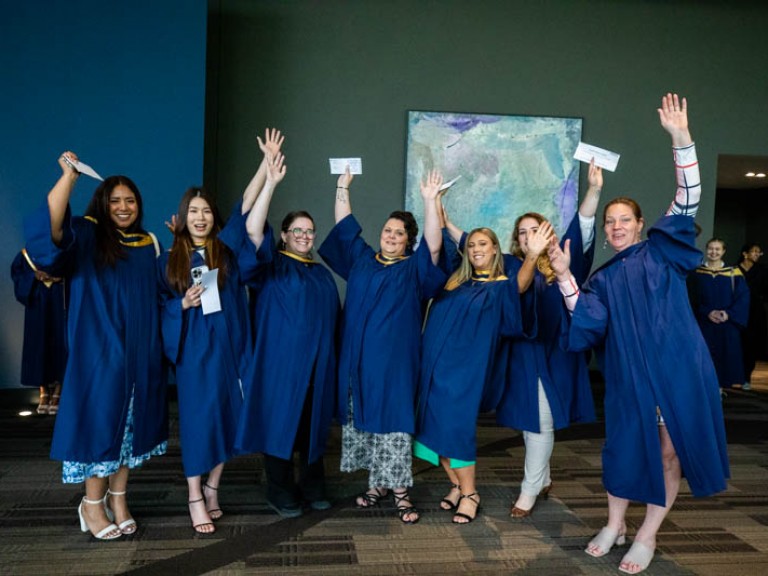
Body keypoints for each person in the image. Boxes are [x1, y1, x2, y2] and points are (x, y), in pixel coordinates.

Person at [548, 94, 729, 574]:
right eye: (610, 223)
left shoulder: (661, 252)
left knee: (670, 449)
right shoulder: (603, 278)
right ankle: (614, 523)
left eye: (624, 219)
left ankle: (647, 533)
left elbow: (688, 199)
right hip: (631, 374)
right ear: (606, 234)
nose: (616, 226)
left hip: (678, 366)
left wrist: (681, 139)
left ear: (641, 224)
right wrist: (566, 274)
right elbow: (586, 319)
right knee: (624, 447)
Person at [24, 152, 167, 540]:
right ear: (103, 204)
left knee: (130, 434)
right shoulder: (86, 235)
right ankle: (91, 504)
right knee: (100, 427)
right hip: (100, 356)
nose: (123, 207)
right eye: (115, 200)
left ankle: (118, 500)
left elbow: (160, 296)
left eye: (130, 200)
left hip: (140, 357)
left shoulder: (147, 243)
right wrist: (69, 177)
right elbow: (49, 230)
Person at [318, 168, 446, 524]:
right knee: (364, 419)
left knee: (392, 422)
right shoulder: (363, 259)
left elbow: (435, 245)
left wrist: (428, 200)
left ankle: (401, 490)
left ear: (408, 240)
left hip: (394, 365)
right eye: (388, 231)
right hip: (356, 362)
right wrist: (343, 185)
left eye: (399, 233)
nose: (391, 236)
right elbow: (345, 226)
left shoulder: (414, 269)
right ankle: (378, 484)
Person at [235, 142, 341, 519]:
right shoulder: (271, 267)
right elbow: (250, 230)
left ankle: (313, 485)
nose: (305, 235)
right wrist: (271, 183)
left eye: (309, 231)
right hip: (280, 367)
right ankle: (279, 490)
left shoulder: (321, 275)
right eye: (297, 230)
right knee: (281, 424)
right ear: (283, 234)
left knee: (312, 429)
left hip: (318, 368)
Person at [494, 160, 602, 518]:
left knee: (540, 421)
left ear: (547, 234)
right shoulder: (510, 266)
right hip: (523, 355)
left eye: (534, 229)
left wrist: (594, 190)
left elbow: (582, 229)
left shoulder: (560, 262)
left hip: (556, 354)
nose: (528, 236)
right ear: (517, 240)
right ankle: (543, 478)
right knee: (531, 422)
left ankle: (528, 489)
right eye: (522, 232)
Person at [158, 183, 257, 533]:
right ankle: (194, 496)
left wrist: (265, 168)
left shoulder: (225, 252)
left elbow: (242, 207)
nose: (201, 218)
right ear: (184, 217)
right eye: (194, 212)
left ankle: (214, 487)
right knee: (198, 424)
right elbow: (160, 306)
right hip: (195, 353)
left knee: (228, 418)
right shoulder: (169, 258)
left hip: (229, 349)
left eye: (207, 211)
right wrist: (182, 304)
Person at [413, 224, 528, 524]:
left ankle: (470, 493)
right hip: (434, 368)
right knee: (428, 429)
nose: (477, 249)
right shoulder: (456, 281)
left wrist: (533, 256)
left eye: (483, 244)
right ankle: (456, 485)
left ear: (495, 249)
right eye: (472, 245)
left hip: (465, 373)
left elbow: (522, 286)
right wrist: (437, 209)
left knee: (456, 430)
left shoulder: (502, 286)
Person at [689, 238, 750, 394]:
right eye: (710, 248)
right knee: (703, 357)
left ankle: (719, 389)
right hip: (704, 323)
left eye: (717, 249)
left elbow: (742, 298)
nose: (713, 252)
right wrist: (707, 312)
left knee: (724, 357)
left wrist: (727, 314)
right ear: (706, 250)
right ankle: (704, 391)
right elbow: (691, 299)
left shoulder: (734, 274)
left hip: (726, 324)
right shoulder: (697, 273)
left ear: (723, 251)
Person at [11, 249, 67, 415]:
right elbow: (18, 275)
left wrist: (63, 277)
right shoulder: (26, 254)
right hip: (38, 303)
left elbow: (82, 273)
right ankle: (44, 391)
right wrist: (34, 277)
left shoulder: (66, 250)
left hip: (60, 300)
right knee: (39, 344)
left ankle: (58, 390)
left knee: (61, 344)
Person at [738, 243, 768, 390]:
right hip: (738, 311)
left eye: (759, 252)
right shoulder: (735, 270)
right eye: (754, 251)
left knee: (751, 345)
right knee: (737, 344)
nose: (757, 254)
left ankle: (746, 378)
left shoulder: (762, 270)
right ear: (745, 254)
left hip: (756, 313)